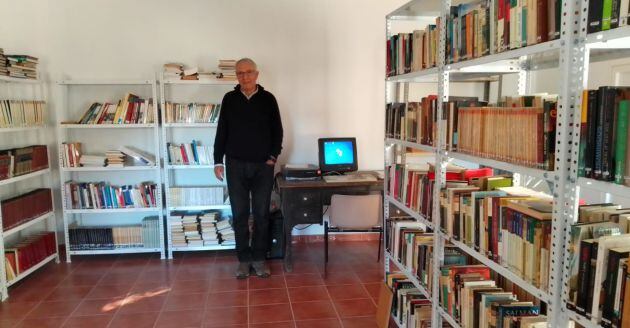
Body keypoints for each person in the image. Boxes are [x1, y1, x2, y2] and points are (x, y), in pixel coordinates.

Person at [213, 58, 283, 279]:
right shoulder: (229, 99)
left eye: (249, 72)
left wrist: (273, 156)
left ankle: (259, 259)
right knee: (240, 214)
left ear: (257, 74)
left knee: (262, 214)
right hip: (235, 165)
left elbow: (277, 130)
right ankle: (244, 260)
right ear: (237, 76)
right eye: (240, 73)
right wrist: (217, 160)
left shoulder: (268, 99)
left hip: (263, 166)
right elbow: (221, 130)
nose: (245, 77)